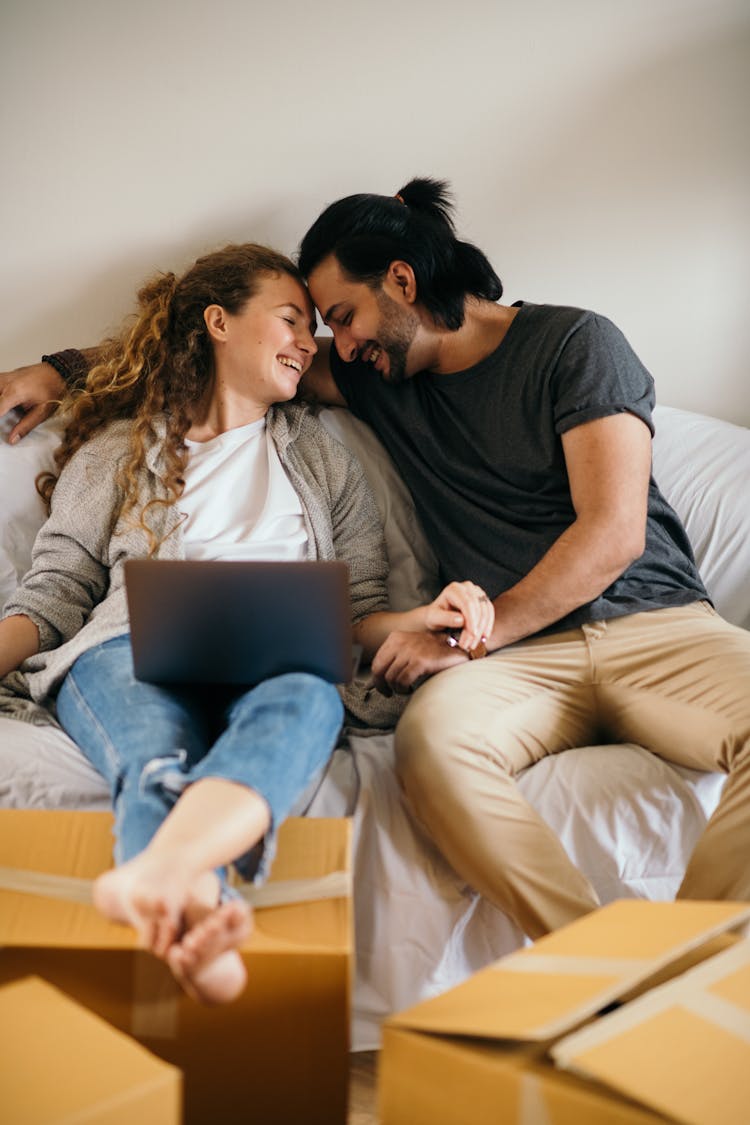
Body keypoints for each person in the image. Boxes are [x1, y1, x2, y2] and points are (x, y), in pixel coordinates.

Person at [4, 180, 750, 941]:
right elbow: (194, 352)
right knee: (427, 752)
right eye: (321, 325)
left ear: (402, 280)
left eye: (341, 318)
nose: (337, 343)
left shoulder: (572, 344)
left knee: (313, 701)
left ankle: (671, 975)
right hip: (505, 658)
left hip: (650, 623)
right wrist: (61, 369)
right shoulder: (371, 375)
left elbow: (613, 533)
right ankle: (598, 963)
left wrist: (464, 634)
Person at [0, 241, 494, 1003]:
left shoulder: (325, 458)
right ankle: (201, 908)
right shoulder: (119, 452)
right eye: (292, 319)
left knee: (306, 698)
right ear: (218, 323)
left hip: (279, 656)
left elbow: (355, 612)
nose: (309, 341)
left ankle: (163, 879)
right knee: (153, 750)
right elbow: (54, 594)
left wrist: (418, 616)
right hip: (127, 647)